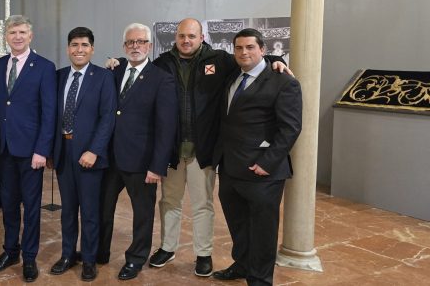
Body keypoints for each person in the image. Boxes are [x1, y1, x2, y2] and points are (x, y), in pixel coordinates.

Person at [106, 18, 290, 277]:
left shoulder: (220, 60)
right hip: (170, 148)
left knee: (203, 203)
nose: (186, 40)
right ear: (176, 38)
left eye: (191, 36)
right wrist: (117, 62)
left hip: (203, 149)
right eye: (181, 36)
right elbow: (136, 67)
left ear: (201, 37)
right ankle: (167, 247)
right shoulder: (163, 63)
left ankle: (203, 253)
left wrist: (273, 60)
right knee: (169, 200)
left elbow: (248, 59)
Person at [212, 28, 302, 286]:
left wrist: (267, 163)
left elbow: (290, 128)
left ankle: (260, 279)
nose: (244, 52)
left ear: (263, 50)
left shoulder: (284, 82)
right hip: (230, 168)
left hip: (262, 171)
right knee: (239, 225)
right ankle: (242, 265)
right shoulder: (232, 76)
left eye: (250, 47)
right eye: (239, 48)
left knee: (262, 231)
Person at [97, 23, 178, 281]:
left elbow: (166, 127)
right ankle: (100, 252)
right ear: (124, 47)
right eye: (130, 42)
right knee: (102, 208)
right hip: (110, 158)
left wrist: (157, 166)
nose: (135, 46)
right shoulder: (114, 70)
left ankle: (135, 259)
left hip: (142, 162)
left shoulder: (162, 78)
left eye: (141, 42)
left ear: (150, 46)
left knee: (142, 214)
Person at [0, 15, 57, 283]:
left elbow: (49, 113)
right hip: (3, 148)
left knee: (32, 206)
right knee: (9, 204)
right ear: (5, 36)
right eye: (12, 32)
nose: (17, 36)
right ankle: (10, 251)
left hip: (31, 151)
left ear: (30, 35)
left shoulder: (44, 67)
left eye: (22, 32)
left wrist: (42, 150)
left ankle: (29, 257)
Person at [48, 27, 116, 282]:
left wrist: (94, 151)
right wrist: (51, 150)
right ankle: (67, 255)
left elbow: (107, 117)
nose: (79, 49)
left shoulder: (102, 77)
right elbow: (51, 115)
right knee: (67, 211)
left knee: (89, 212)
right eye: (74, 45)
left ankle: (88, 259)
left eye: (84, 45)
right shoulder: (58, 76)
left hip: (89, 156)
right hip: (63, 152)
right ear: (68, 48)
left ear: (92, 49)